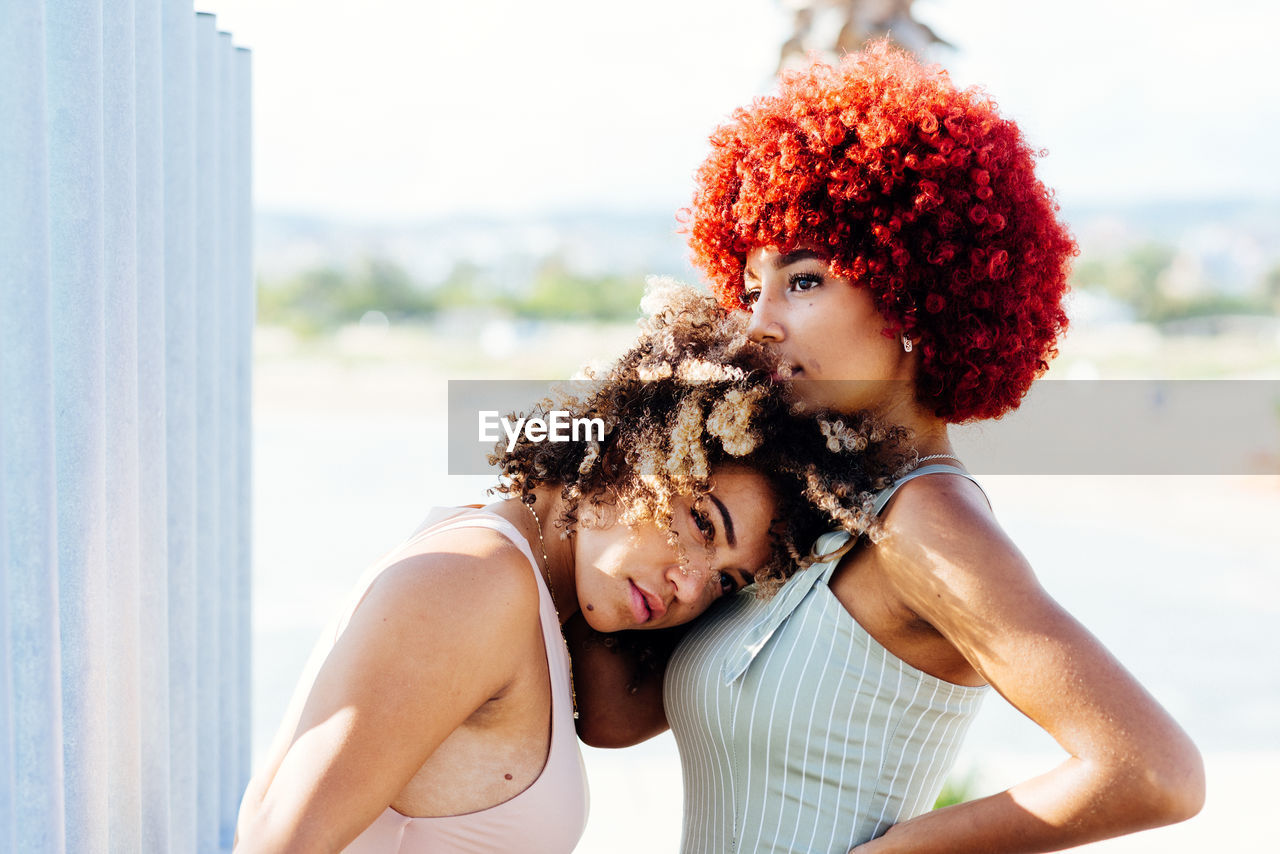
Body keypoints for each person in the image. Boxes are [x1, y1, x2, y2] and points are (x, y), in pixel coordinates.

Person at [574, 43, 1205, 853]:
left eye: (803, 281)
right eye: (752, 287)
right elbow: (614, 717)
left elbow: (1152, 772)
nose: (759, 321)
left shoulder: (927, 520)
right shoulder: (815, 511)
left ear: (911, 286)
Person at [233, 282, 912, 853]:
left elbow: (617, 718)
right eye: (702, 525)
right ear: (632, 452)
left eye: (728, 582)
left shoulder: (537, 605)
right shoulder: (477, 580)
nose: (691, 586)